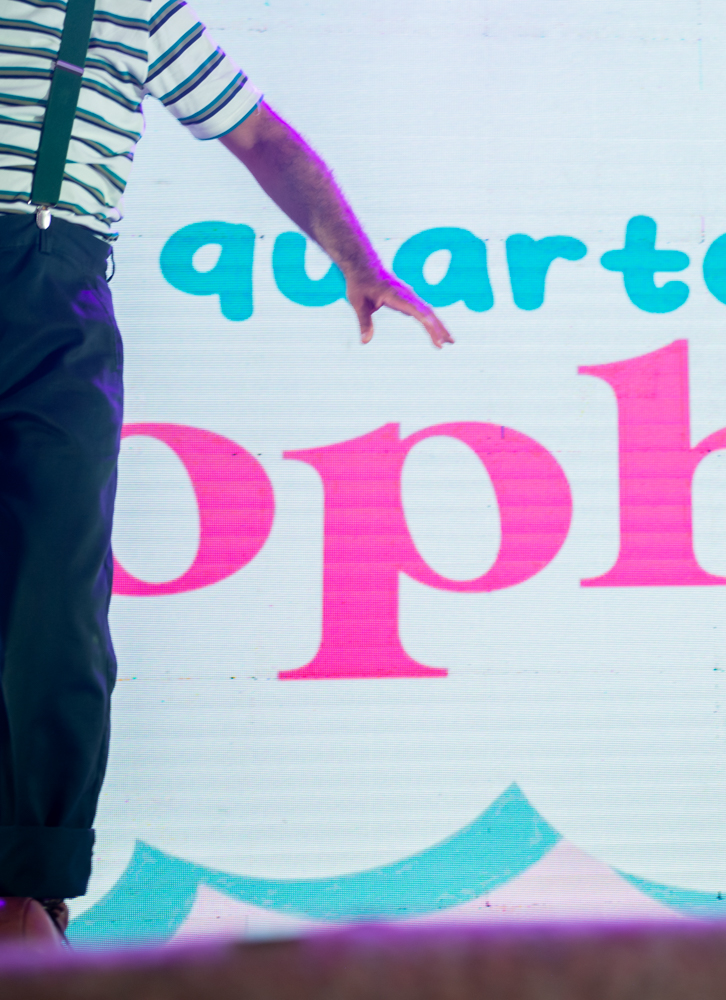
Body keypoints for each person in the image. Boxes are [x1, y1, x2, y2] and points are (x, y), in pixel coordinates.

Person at [0, 1, 451, 946]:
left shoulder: (138, 11)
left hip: (54, 294)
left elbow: (258, 134)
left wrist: (357, 257)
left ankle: (30, 890)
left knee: (56, 602)